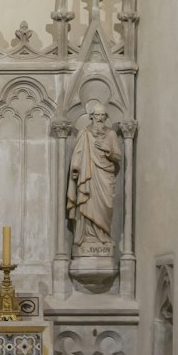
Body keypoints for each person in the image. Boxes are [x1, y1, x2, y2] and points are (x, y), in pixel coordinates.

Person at [67, 105, 120, 249]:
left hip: (105, 176)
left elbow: (118, 156)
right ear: (91, 116)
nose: (100, 118)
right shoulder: (84, 133)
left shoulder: (111, 135)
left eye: (103, 115)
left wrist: (107, 149)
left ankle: (103, 236)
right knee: (87, 202)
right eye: (97, 115)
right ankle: (87, 238)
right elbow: (77, 153)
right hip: (88, 174)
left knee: (106, 205)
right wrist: (76, 168)